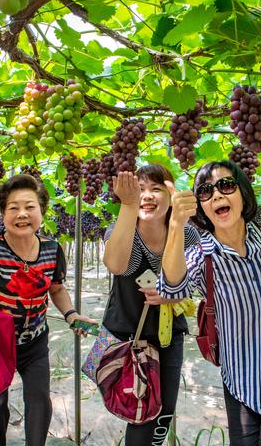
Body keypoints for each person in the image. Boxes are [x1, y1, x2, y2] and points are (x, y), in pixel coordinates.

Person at [159, 160, 261, 446]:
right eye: (206, 192)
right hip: (242, 380)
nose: (217, 196)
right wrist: (176, 225)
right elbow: (171, 288)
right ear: (201, 206)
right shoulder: (203, 254)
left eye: (226, 185)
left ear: (243, 193)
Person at [0, 175, 94, 446]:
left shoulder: (52, 250)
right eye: (13, 207)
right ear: (3, 213)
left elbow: (56, 288)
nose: (22, 214)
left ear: (41, 211)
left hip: (34, 342)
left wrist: (72, 315)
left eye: (29, 206)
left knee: (39, 400)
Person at [102, 165, 199, 445]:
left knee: (164, 413)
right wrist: (128, 206)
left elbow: (192, 283)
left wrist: (174, 293)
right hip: (125, 338)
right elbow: (118, 265)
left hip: (168, 338)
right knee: (141, 414)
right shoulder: (120, 229)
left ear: (171, 196)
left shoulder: (187, 234)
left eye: (156, 188)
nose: (147, 195)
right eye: (140, 189)